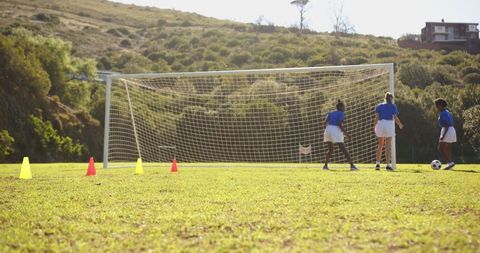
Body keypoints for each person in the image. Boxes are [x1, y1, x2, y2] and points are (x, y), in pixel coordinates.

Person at [323, 100, 358, 171]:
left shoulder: (330, 112)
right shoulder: (341, 113)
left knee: (330, 150)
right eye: (344, 107)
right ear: (341, 107)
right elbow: (340, 124)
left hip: (327, 129)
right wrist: (347, 135)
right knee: (343, 149)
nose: (345, 109)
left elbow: (324, 123)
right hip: (335, 129)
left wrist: (327, 130)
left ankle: (325, 166)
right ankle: (352, 166)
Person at [374, 92, 404, 171]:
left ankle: (377, 164)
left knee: (380, 145)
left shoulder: (379, 106)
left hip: (380, 124)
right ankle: (387, 165)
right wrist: (400, 124)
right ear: (391, 98)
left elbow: (376, 118)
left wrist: (374, 126)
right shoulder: (393, 106)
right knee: (388, 146)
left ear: (385, 98)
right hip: (389, 124)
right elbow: (395, 117)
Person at [435, 98, 456, 170]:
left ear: (441, 106)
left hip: (447, 129)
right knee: (447, 149)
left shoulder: (443, 113)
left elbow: (446, 125)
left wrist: (443, 136)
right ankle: (450, 165)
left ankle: (450, 162)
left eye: (437, 105)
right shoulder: (447, 112)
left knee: (441, 148)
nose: (436, 107)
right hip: (451, 129)